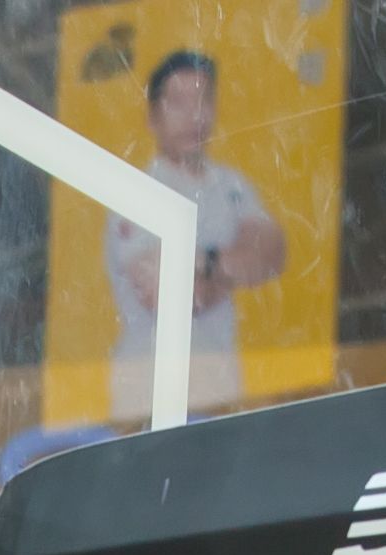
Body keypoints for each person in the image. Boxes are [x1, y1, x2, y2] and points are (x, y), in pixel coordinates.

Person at [101, 51, 286, 419]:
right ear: (153, 117)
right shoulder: (136, 192)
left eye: (203, 100)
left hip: (219, 388)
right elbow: (170, 295)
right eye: (178, 103)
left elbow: (271, 255)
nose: (194, 116)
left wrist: (203, 262)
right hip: (148, 393)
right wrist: (233, 269)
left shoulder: (231, 185)